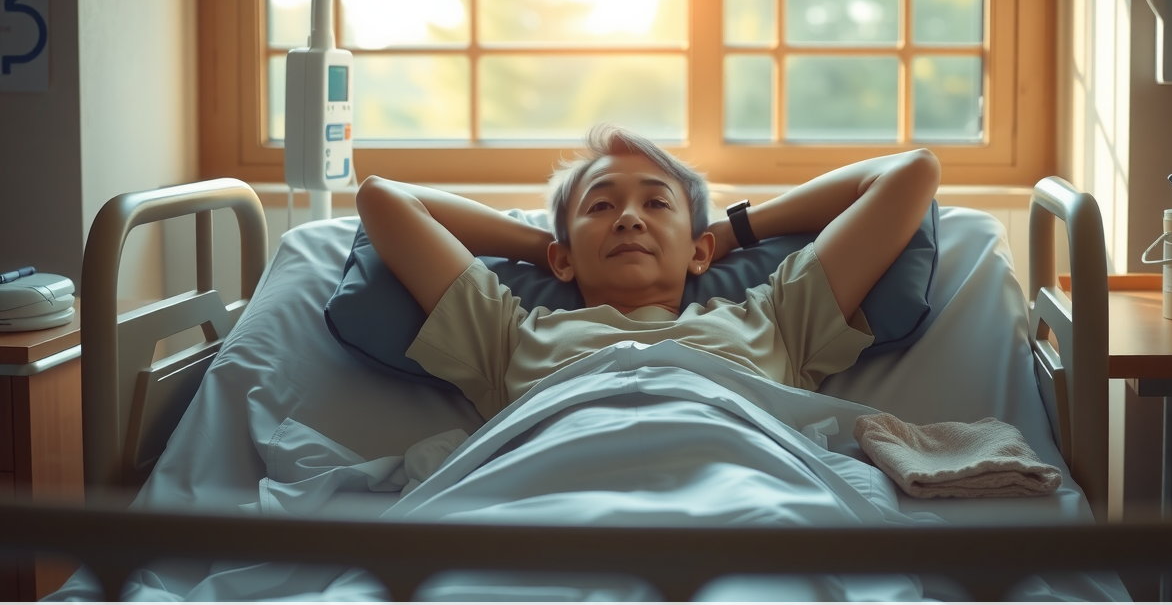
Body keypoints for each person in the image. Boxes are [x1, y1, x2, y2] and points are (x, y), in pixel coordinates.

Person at [356, 124, 940, 420]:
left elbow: (910, 173)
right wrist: (550, 247)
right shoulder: (508, 337)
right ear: (562, 259)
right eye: (601, 206)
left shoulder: (776, 320)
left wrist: (729, 233)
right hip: (552, 513)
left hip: (746, 501)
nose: (629, 219)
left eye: (657, 203)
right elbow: (384, 199)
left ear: (699, 251)